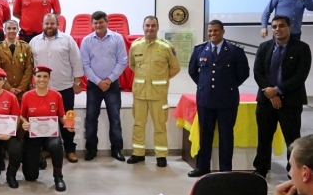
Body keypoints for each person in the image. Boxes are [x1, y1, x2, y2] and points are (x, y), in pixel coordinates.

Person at [187, 19, 250, 177]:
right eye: (210, 31)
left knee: (226, 136)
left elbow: (243, 73)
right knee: (205, 135)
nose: (212, 34)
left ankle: (225, 169)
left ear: (222, 32)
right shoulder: (200, 50)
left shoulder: (235, 51)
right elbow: (193, 71)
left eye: (215, 31)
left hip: (227, 100)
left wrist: (228, 86)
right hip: (205, 99)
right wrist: (204, 85)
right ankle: (202, 167)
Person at [253, 15, 311, 177]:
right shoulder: (264, 47)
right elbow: (258, 72)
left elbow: (300, 76)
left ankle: (293, 171)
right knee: (264, 137)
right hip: (266, 101)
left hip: (290, 101)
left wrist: (277, 90)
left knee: (292, 139)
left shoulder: (302, 48)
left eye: (281, 26)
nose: (277, 29)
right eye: (274, 26)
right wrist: (270, 93)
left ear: (290, 28)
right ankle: (261, 168)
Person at [30, 13, 84, 163]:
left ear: (57, 24)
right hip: (42, 90)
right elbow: (30, 65)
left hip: (64, 87)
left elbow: (76, 61)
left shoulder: (67, 40)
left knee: (67, 120)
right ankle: (47, 148)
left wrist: (77, 82)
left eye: (52, 24)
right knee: (45, 119)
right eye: (46, 24)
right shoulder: (34, 42)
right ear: (42, 25)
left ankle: (70, 149)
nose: (49, 27)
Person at [128, 16, 180, 167]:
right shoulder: (135, 46)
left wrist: (161, 77)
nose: (150, 28)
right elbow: (132, 65)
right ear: (143, 27)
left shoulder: (166, 47)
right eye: (147, 25)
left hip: (158, 95)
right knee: (138, 124)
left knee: (160, 126)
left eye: (153, 26)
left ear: (157, 28)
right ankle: (138, 154)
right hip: (140, 94)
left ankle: (161, 156)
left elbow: (175, 68)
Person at [80, 11, 128, 162]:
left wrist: (109, 80)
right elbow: (85, 64)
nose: (98, 25)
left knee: (114, 118)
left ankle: (117, 149)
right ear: (92, 24)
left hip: (112, 85)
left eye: (101, 22)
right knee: (91, 118)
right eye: (95, 23)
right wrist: (98, 81)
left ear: (107, 22)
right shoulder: (87, 41)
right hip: (94, 85)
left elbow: (122, 61)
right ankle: (91, 149)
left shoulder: (117, 38)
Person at [20, 66, 72, 192]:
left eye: (45, 77)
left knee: (56, 145)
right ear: (34, 78)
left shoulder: (56, 95)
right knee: (30, 177)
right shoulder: (27, 96)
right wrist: (25, 122)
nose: (41, 79)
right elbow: (22, 115)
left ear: (49, 79)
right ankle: (39, 157)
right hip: (33, 134)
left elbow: (61, 115)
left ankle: (58, 176)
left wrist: (68, 123)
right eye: (38, 76)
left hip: (50, 133)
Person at [0, 20, 33, 103]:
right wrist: (9, 88)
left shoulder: (26, 47)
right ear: (5, 30)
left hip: (22, 91)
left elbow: (28, 69)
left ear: (18, 30)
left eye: (14, 28)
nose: (11, 31)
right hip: (4, 90)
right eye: (9, 28)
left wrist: (21, 88)